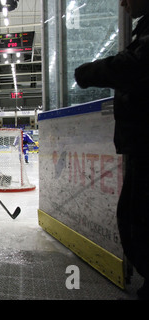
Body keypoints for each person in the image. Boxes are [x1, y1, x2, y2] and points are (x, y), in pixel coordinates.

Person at [74, 0, 149, 299]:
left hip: (145, 141)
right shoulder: (142, 27)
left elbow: (136, 65)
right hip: (141, 141)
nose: (123, 3)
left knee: (139, 216)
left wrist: (89, 72)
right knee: (133, 215)